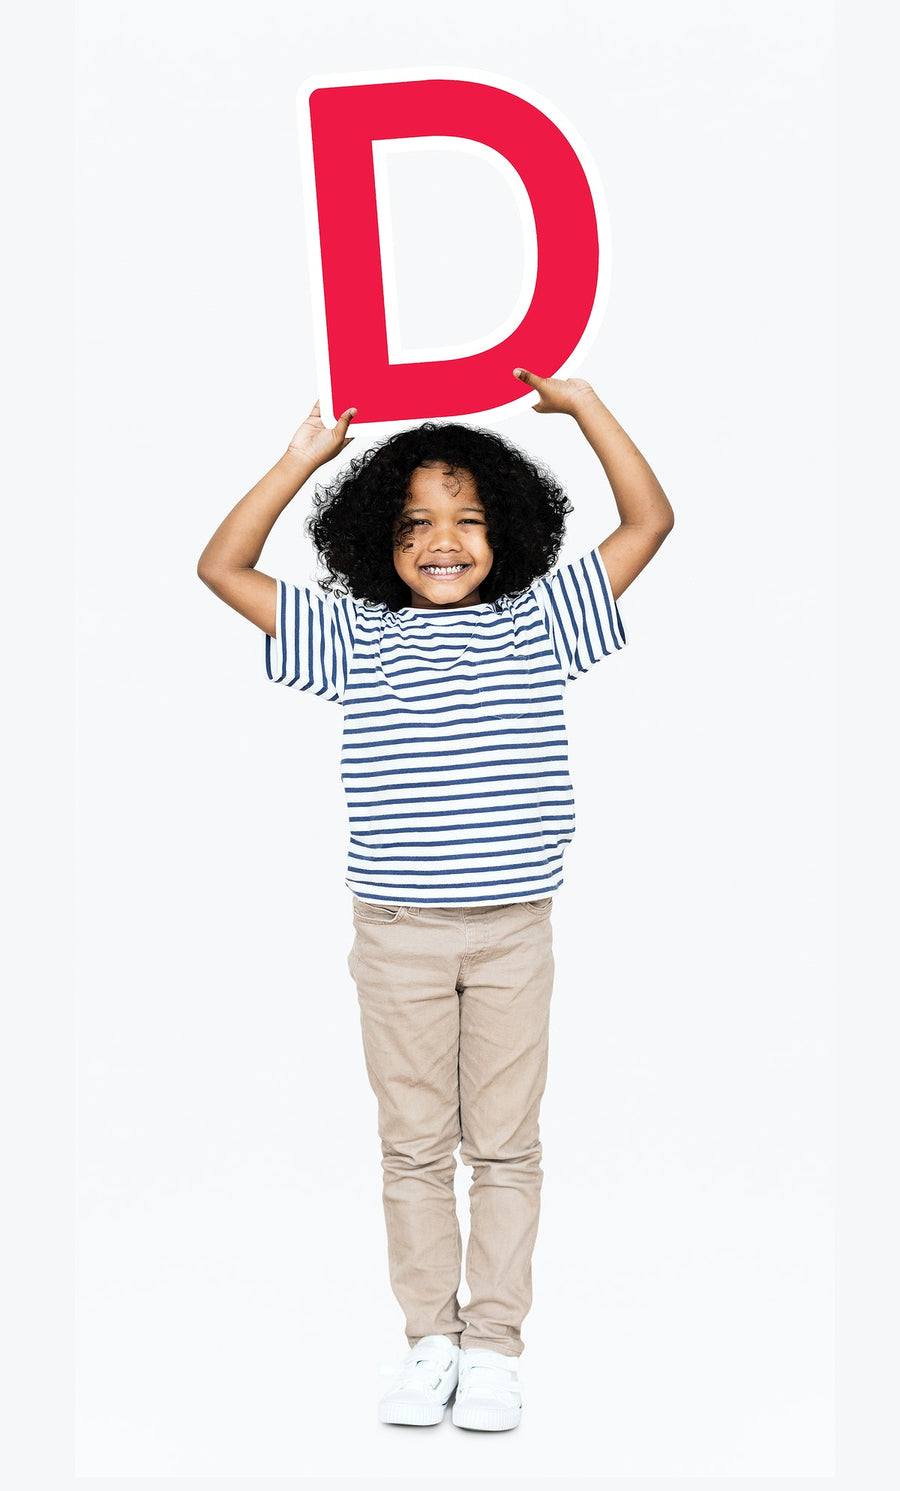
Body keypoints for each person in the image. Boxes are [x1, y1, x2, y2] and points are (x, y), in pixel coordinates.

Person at [197, 367, 674, 1432]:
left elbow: (651, 520)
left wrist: (586, 408)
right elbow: (220, 566)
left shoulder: (543, 624)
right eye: (414, 524)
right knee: (414, 1145)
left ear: (506, 528)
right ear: (379, 537)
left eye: (466, 519)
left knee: (505, 1144)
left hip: (514, 935)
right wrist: (299, 462)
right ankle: (429, 1341)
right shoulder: (356, 639)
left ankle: (496, 1345)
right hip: (398, 938)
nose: (442, 541)